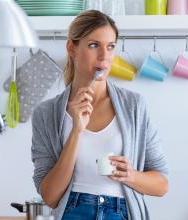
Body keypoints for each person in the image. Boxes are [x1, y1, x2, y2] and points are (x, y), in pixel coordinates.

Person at [31, 10, 168, 220]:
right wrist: (76, 130)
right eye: (94, 45)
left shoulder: (134, 106)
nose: (105, 56)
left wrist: (131, 176)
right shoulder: (46, 113)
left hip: (122, 212)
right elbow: (50, 196)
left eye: (111, 46)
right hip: (72, 212)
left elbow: (161, 184)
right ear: (72, 48)